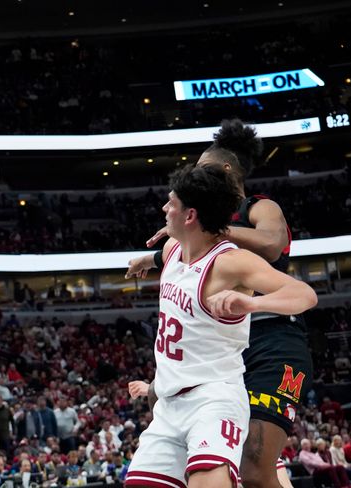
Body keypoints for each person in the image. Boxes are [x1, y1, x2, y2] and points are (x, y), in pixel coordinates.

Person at [127, 120, 314, 488]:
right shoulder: (185, 239)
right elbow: (183, 258)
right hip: (219, 345)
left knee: (255, 467)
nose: (195, 175)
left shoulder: (258, 208)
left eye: (201, 169)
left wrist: (210, 226)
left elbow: (272, 243)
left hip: (273, 337)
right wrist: (153, 258)